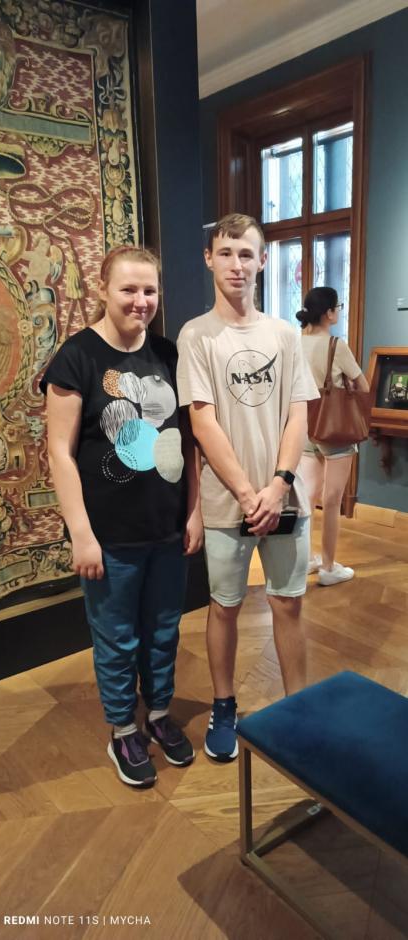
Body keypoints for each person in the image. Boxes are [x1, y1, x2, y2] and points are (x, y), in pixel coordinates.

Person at [40, 245, 203, 789]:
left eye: (149, 290)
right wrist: (81, 534)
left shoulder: (169, 354)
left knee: (163, 631)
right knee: (116, 640)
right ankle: (122, 729)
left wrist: (195, 511)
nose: (141, 301)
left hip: (167, 530)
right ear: (103, 289)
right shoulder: (76, 357)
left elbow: (188, 443)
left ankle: (158, 714)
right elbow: (59, 452)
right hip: (110, 537)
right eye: (129, 289)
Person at [176, 213, 318, 763]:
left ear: (262, 260)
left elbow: (298, 414)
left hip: (283, 500)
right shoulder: (196, 335)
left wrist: (279, 485)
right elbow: (202, 420)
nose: (237, 264)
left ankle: (299, 708)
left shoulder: (283, 334)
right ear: (208, 259)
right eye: (226, 252)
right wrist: (244, 493)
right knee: (225, 607)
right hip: (225, 504)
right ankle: (224, 705)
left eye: (246, 253)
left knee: (287, 604)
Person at [296, 287, 370, 586]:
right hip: (335, 428)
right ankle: (328, 567)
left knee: (306, 497)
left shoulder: (295, 342)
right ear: (328, 312)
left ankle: (305, 560)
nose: (339, 311)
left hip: (304, 425)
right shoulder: (336, 345)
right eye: (337, 306)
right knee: (331, 499)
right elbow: (363, 386)